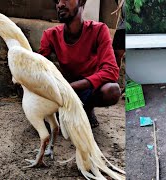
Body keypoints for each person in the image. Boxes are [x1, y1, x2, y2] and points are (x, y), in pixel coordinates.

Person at [38, 0, 121, 128]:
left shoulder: (98, 30)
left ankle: (86, 109)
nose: (60, 4)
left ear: (81, 1)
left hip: (88, 89)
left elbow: (111, 70)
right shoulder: (50, 35)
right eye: (57, 1)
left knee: (112, 90)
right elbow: (38, 68)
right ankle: (64, 111)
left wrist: (71, 87)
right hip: (63, 91)